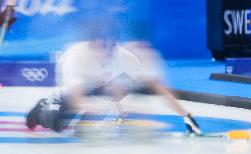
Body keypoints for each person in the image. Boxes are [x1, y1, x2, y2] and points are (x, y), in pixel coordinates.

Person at [26, 20, 202, 135]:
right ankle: (41, 108)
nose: (107, 51)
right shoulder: (76, 56)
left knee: (87, 130)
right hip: (70, 94)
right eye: (102, 45)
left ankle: (87, 121)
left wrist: (185, 115)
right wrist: (103, 108)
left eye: (111, 45)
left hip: (99, 91)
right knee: (56, 123)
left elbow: (156, 87)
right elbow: (76, 97)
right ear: (91, 43)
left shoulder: (125, 57)